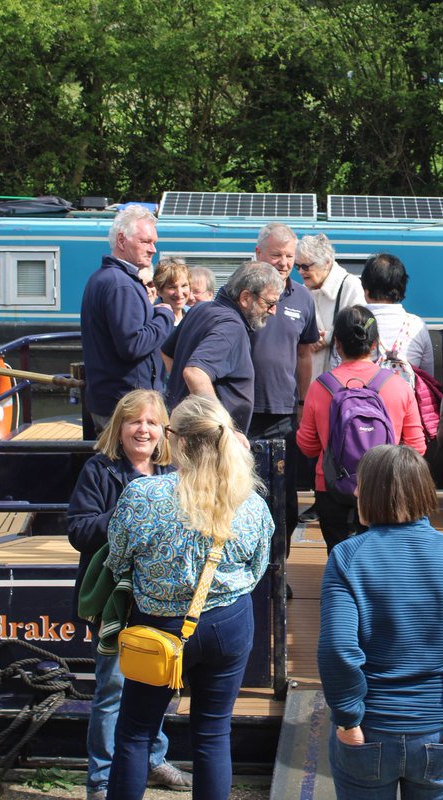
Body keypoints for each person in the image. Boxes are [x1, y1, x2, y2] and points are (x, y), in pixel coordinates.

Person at [105, 395, 274, 800]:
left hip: (158, 627)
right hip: (228, 625)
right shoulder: (250, 502)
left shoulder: (143, 496)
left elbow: (116, 560)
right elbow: (256, 571)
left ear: (175, 440)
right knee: (214, 732)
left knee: (134, 734)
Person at [318, 444, 443, 800]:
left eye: (361, 484)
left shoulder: (347, 557)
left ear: (372, 494)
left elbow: (339, 648)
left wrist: (348, 719)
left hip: (368, 732)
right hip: (439, 733)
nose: (355, 491)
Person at [66, 390, 189, 800]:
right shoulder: (99, 471)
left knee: (159, 681)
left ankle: (154, 758)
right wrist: (127, 516)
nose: (143, 429)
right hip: (117, 600)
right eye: (135, 421)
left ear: (163, 431)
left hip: (162, 597)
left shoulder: (174, 472)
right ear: (118, 428)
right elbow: (78, 530)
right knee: (113, 688)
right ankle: (101, 779)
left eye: (152, 422)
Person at [297, 305, 425, 553]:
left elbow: (307, 445)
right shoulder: (398, 386)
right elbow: (416, 447)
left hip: (332, 489)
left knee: (339, 557)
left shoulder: (320, 387)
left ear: (337, 344)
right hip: (386, 489)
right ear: (375, 343)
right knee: (383, 558)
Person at [249, 223, 320, 557]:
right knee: (244, 492)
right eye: (276, 254)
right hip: (243, 412)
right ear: (258, 252)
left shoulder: (303, 297)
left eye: (289, 255)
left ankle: (279, 567)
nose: (284, 261)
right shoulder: (242, 292)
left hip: (285, 413)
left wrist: (304, 402)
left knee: (284, 495)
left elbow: (305, 354)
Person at [81, 205, 175, 432]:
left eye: (154, 242)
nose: (153, 249)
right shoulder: (120, 285)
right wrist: (165, 315)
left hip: (117, 403)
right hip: (126, 407)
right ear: (122, 241)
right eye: (146, 241)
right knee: (131, 467)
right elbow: (132, 344)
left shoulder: (105, 278)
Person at [161, 261, 282, 433]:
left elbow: (167, 353)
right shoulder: (231, 327)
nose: (273, 311)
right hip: (207, 443)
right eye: (269, 303)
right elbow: (195, 373)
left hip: (183, 431)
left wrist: (181, 394)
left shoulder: (201, 309)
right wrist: (221, 429)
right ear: (246, 297)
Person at [296, 233, 365, 380]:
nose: (301, 272)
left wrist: (329, 337)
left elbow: (361, 329)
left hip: (342, 383)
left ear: (326, 263)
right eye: (298, 266)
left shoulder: (350, 286)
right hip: (311, 384)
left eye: (305, 266)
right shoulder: (302, 291)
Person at [360, 252, 434, 375]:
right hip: (407, 393)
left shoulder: (352, 323)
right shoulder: (417, 325)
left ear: (366, 290)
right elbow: (427, 376)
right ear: (402, 287)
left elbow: (338, 374)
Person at [153, 257, 192, 325]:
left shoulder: (194, 315)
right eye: (172, 287)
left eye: (184, 286)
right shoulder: (152, 319)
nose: (179, 294)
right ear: (159, 290)